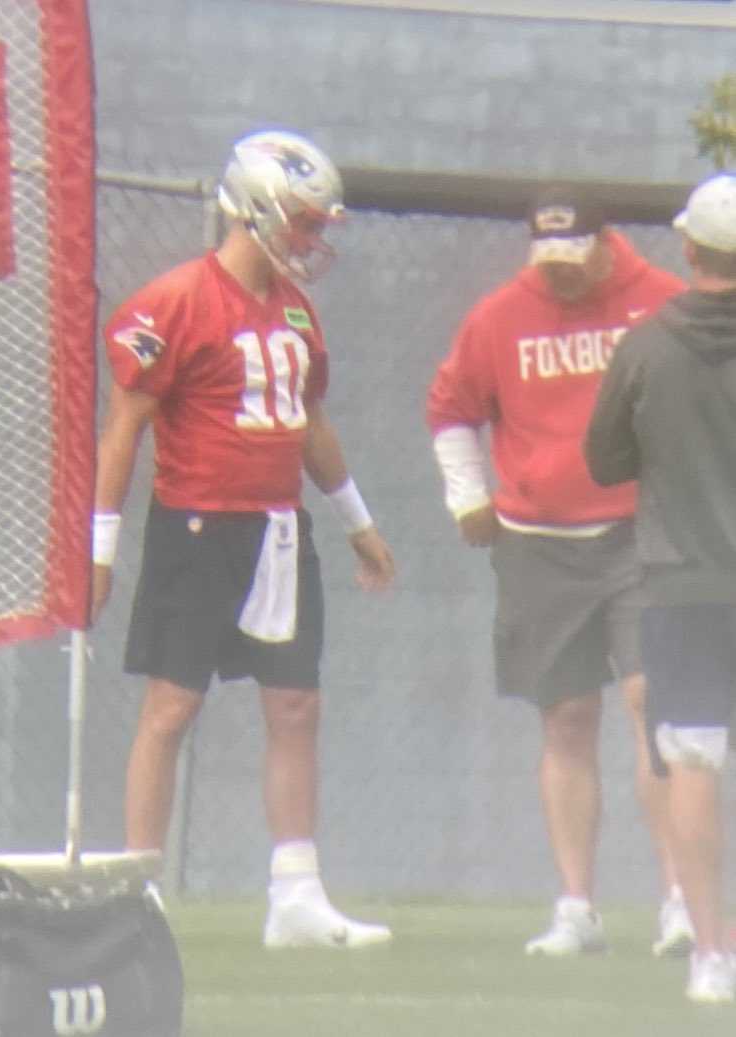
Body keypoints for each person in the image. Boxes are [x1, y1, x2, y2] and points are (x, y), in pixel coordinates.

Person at [90, 129, 395, 949]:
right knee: (170, 708)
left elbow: (309, 422)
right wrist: (100, 547)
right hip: (197, 525)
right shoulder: (176, 300)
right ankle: (137, 891)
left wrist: (358, 521)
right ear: (257, 208)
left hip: (279, 527)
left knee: (297, 704)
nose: (312, 237)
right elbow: (125, 428)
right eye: (301, 220)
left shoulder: (296, 308)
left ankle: (295, 893)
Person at [426, 185, 689, 957]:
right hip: (538, 541)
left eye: (576, 256)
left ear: (607, 242)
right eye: (550, 259)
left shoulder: (663, 303)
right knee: (567, 718)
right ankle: (577, 905)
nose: (564, 273)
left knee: (654, 701)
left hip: (645, 533)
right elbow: (449, 408)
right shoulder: (500, 315)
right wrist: (467, 495)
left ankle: (679, 895)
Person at [585, 173, 736, 1003]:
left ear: (687, 248)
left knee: (692, 760)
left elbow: (603, 460)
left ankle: (713, 953)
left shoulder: (644, 347)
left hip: (681, 587)